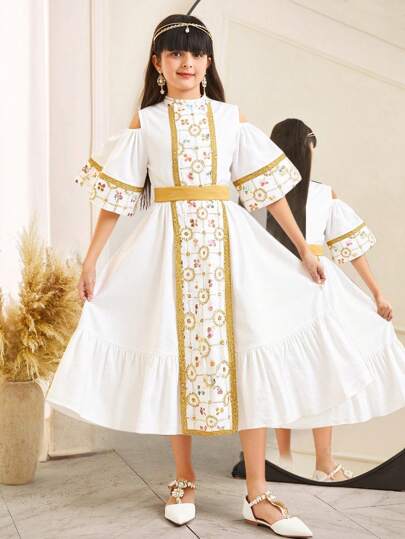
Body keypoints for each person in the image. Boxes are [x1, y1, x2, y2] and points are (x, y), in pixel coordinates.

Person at [45, 13, 405, 536]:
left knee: (249, 351)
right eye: (175, 53)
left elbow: (270, 193)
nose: (186, 62)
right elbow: (115, 200)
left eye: (195, 53)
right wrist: (92, 259)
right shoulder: (145, 124)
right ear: (158, 63)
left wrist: (303, 250)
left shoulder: (230, 119)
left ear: (208, 63)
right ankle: (184, 478)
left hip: (230, 246)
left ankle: (258, 493)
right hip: (165, 246)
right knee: (172, 349)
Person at [266, 118, 400, 483]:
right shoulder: (321, 193)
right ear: (307, 148)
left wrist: (377, 293)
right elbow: (352, 249)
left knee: (283, 372)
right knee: (321, 374)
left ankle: (286, 459)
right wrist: (375, 291)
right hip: (315, 285)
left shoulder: (258, 193)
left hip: (276, 286)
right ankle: (318, 463)